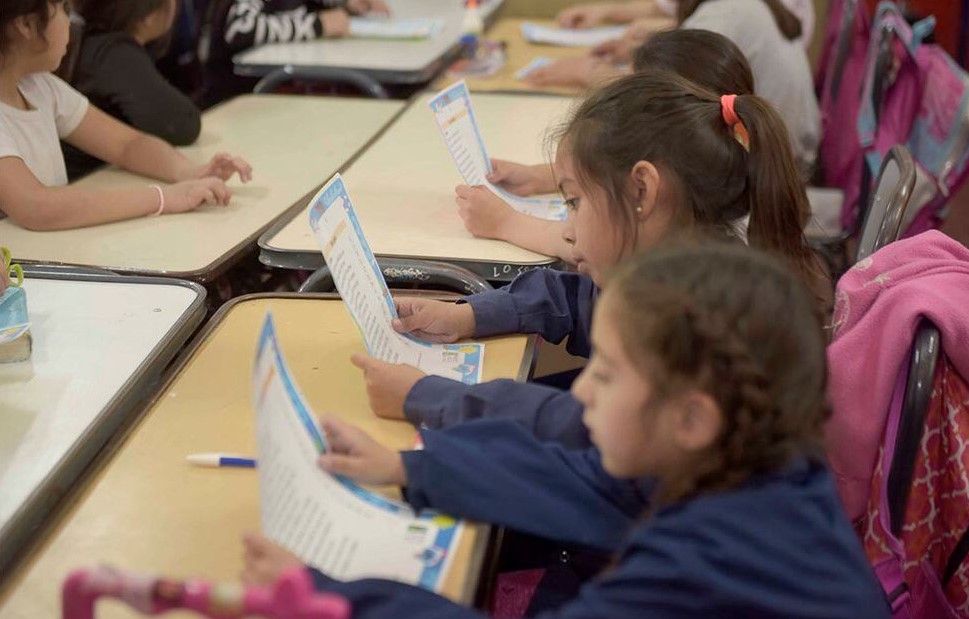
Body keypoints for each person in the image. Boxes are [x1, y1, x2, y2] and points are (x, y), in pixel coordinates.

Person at [242, 242, 889, 619]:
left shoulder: (696, 567)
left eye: (604, 373)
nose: (580, 390)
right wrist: (407, 467)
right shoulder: (761, 467)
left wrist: (331, 596)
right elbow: (582, 478)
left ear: (692, 418)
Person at [351, 70, 827, 450]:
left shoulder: (699, 325)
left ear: (642, 192)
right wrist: (471, 315)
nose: (567, 229)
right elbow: (579, 299)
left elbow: (574, 429)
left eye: (574, 202)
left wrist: (429, 398)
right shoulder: (693, 270)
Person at [457, 28, 755, 260]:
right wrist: (538, 177)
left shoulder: (674, 252)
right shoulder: (721, 171)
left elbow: (588, 245)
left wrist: (505, 222)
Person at [0, 0, 252, 230]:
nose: (72, 21)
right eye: (64, 9)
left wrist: (189, 172)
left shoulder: (40, 88)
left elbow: (127, 144)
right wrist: (162, 198)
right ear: (26, 24)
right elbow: (38, 206)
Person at [65, 0, 202, 179]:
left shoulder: (94, 43)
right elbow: (182, 124)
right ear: (148, 15)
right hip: (86, 181)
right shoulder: (112, 53)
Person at [202, 0, 389, 107]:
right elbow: (240, 28)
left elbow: (316, 7)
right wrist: (318, 25)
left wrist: (348, 4)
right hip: (237, 97)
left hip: (282, 95)